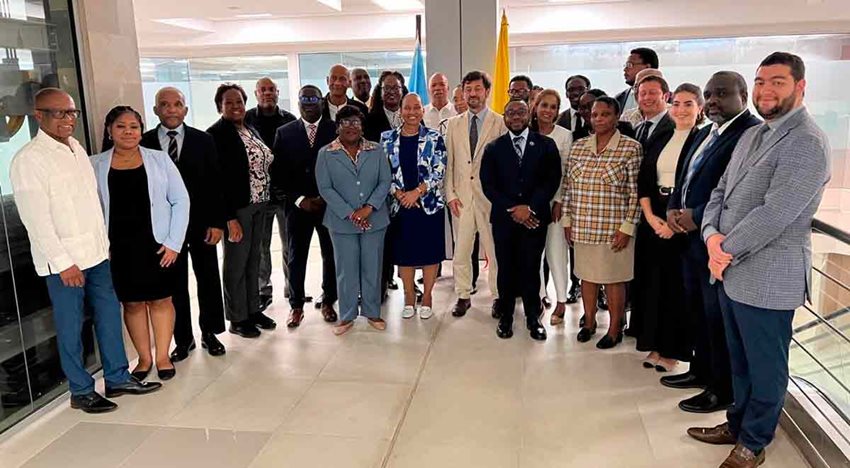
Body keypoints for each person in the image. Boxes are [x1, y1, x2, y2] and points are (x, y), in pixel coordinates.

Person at [688, 52, 830, 468]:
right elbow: (720, 192)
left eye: (778, 82)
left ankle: (754, 441)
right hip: (731, 270)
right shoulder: (754, 133)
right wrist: (712, 236)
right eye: (761, 81)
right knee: (740, 360)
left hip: (769, 275)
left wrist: (722, 250)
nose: (766, 90)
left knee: (766, 365)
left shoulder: (807, 141)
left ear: (800, 87)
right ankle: (737, 422)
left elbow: (776, 213)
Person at [10, 88, 161, 414]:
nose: (68, 120)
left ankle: (118, 377)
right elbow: (36, 220)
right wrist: (64, 263)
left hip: (96, 255)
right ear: (39, 116)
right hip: (65, 264)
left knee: (108, 318)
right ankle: (81, 390)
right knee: (71, 327)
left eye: (72, 113)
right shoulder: (29, 160)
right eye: (59, 113)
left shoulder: (76, 148)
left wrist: (103, 249)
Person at [662, 72, 761, 414]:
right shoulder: (706, 132)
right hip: (689, 240)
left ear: (743, 95)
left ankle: (721, 389)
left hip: (719, 241)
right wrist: (674, 208)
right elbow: (684, 175)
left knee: (717, 319)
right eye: (709, 94)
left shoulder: (751, 133)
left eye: (722, 93)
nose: (714, 99)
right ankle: (701, 371)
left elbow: (742, 193)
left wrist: (697, 215)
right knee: (698, 313)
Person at [91, 106, 190, 382]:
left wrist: (174, 243)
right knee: (132, 304)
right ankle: (145, 358)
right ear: (110, 131)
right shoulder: (94, 164)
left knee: (161, 299)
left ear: (141, 129)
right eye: (121, 126)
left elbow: (181, 200)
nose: (128, 132)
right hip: (119, 247)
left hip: (158, 244)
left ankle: (162, 356)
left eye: (134, 126)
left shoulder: (159, 160)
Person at [141, 87, 228, 362]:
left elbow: (216, 183)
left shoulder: (204, 140)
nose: (171, 109)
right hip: (164, 230)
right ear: (156, 110)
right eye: (164, 105)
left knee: (208, 278)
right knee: (174, 282)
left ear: (185, 110)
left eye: (177, 104)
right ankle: (183, 339)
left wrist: (217, 222)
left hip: (201, 223)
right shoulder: (144, 143)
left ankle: (210, 333)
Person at [630, 83, 702, 373]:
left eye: (688, 104)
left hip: (682, 221)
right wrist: (649, 216)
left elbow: (698, 186)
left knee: (676, 288)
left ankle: (672, 351)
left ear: (700, 109)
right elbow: (645, 179)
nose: (681, 110)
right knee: (652, 284)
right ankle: (655, 344)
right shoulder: (662, 137)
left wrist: (674, 224)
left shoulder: (701, 140)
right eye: (677, 104)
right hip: (654, 217)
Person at [563, 97, 641, 349]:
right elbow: (568, 188)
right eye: (594, 115)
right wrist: (567, 220)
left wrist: (628, 227)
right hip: (583, 225)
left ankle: (616, 327)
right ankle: (589, 323)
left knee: (613, 279)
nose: (598, 119)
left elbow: (635, 193)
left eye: (605, 114)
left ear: (616, 117)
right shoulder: (579, 147)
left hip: (613, 229)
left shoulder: (630, 148)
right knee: (587, 276)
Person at [481, 99, 561, 340]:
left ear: (529, 115)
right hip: (504, 220)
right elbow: (489, 185)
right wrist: (514, 209)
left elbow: (551, 180)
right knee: (505, 269)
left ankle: (532, 318)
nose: (515, 116)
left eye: (521, 112)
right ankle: (505, 317)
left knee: (530, 268)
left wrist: (530, 208)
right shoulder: (494, 148)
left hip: (535, 219)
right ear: (504, 117)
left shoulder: (546, 145)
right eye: (510, 112)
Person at [206, 83, 277, 338]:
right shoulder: (216, 134)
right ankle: (237, 318)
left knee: (253, 260)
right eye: (229, 103)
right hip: (237, 209)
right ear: (219, 107)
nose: (236, 107)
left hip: (260, 203)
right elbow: (216, 180)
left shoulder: (250, 129)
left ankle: (253, 309)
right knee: (236, 263)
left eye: (239, 102)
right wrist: (229, 218)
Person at [316, 106, 392, 336]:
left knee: (372, 267)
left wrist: (368, 208)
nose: (351, 126)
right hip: (341, 222)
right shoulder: (326, 153)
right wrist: (351, 213)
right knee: (346, 269)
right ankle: (347, 315)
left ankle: (372, 312)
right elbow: (325, 188)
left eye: (356, 122)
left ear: (362, 126)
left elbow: (384, 180)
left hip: (375, 219)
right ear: (337, 126)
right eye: (346, 122)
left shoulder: (376, 150)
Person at [271, 85, 338, 328]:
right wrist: (300, 199)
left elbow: (340, 170)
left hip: (328, 205)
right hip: (297, 207)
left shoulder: (334, 130)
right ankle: (296, 306)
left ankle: (329, 299)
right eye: (304, 98)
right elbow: (277, 175)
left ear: (322, 102)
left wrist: (325, 197)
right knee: (296, 256)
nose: (308, 102)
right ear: (298, 102)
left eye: (313, 98)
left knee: (330, 254)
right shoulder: (284, 132)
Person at [444, 71, 507, 318]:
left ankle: (498, 296)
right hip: (461, 199)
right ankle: (463, 295)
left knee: (494, 252)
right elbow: (449, 162)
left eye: (477, 89)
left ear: (486, 91)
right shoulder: (454, 123)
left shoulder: (499, 122)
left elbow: (505, 165)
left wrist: (502, 199)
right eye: (468, 89)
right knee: (461, 251)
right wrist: (450, 194)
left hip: (490, 200)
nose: (472, 94)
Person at [382, 93, 447, 320]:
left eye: (416, 108)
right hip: (400, 207)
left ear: (422, 110)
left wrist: (417, 192)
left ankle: (427, 296)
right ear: (400, 110)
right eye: (407, 108)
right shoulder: (386, 139)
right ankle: (409, 296)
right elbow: (382, 173)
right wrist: (399, 194)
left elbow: (440, 171)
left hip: (427, 205)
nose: (411, 112)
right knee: (404, 254)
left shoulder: (434, 137)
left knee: (429, 253)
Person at [244, 77, 297, 312]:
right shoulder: (246, 120)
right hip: (257, 195)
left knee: (290, 244)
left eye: (271, 90)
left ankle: (292, 287)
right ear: (256, 94)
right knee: (261, 246)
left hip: (285, 193)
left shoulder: (289, 120)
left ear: (278, 92)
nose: (267, 93)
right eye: (262, 90)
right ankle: (263, 289)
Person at [530, 89, 573, 325]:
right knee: (534, 254)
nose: (548, 110)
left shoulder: (564, 135)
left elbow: (565, 173)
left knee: (557, 254)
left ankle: (561, 302)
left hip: (556, 204)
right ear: (535, 107)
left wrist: (558, 201)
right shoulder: (526, 132)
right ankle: (538, 297)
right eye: (544, 105)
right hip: (530, 205)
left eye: (553, 107)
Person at [365, 70, 407, 299]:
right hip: (378, 189)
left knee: (404, 238)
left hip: (406, 191)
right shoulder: (369, 119)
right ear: (380, 92)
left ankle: (408, 283)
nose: (391, 92)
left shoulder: (411, 115)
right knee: (380, 240)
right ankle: (380, 284)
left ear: (403, 91)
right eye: (387, 88)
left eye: (396, 88)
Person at [615, 47, 658, 118]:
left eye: (630, 65)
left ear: (647, 67)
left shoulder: (670, 100)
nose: (625, 69)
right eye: (625, 65)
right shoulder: (619, 98)